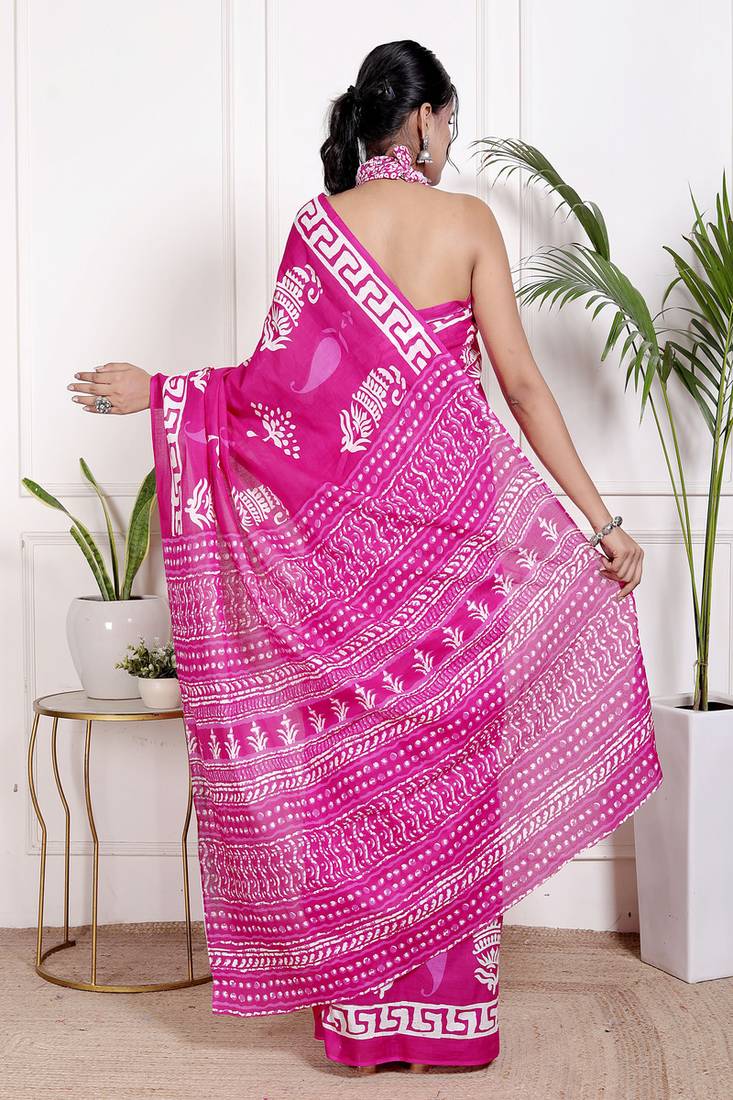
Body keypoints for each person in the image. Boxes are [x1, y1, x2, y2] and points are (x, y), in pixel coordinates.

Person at [66, 39, 660, 1076]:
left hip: (345, 571)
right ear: (422, 118)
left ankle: (367, 1026)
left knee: (361, 786)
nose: (450, 139)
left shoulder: (320, 226)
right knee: (451, 780)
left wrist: (162, 390)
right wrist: (601, 522)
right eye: (450, 120)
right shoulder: (467, 225)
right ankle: (446, 1023)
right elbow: (523, 389)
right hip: (458, 563)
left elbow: (273, 400)